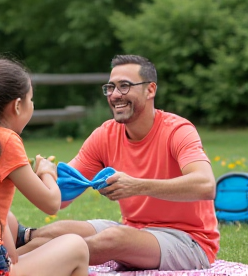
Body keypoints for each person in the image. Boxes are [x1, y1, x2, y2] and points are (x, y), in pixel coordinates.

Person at [16, 54, 220, 271]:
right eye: (110, 87)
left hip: (189, 241)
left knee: (114, 237)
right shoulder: (105, 135)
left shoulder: (178, 130)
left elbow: (206, 186)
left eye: (124, 86)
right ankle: (0, 265)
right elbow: (60, 200)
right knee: (59, 230)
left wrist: (136, 185)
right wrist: (48, 173)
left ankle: (37, 265)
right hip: (135, 231)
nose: (114, 95)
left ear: (150, 90)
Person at [0, 57, 89, 276]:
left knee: (10, 220)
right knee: (76, 247)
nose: (33, 105)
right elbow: (51, 204)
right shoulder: (5, 141)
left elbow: (9, 246)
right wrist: (47, 172)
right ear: (18, 106)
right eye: (31, 100)